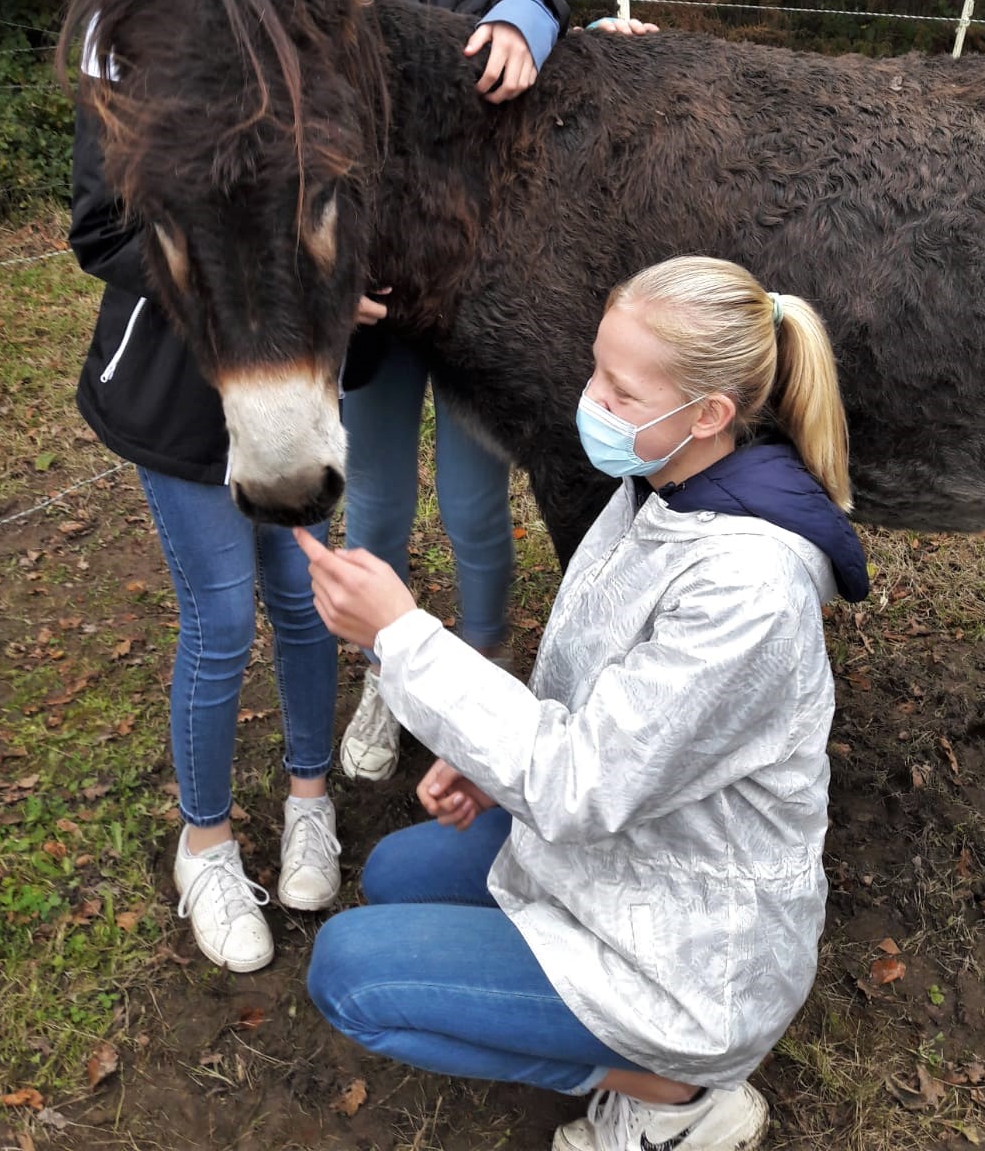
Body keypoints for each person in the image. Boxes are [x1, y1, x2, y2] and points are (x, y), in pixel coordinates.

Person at [69, 0, 576, 975]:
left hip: (303, 374)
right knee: (220, 616)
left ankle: (304, 801)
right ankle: (202, 843)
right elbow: (102, 223)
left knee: (305, 603)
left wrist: (548, 16)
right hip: (190, 387)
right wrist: (259, 286)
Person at [296, 256, 869, 1151]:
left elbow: (580, 781)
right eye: (594, 371)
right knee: (396, 875)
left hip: (693, 949)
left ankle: (679, 1094)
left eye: (622, 389)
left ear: (710, 413)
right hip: (632, 849)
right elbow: (588, 692)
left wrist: (403, 636)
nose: (592, 401)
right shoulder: (658, 489)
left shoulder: (748, 587)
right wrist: (488, 762)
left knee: (350, 977)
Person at [338, 0, 658, 786]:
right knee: (379, 504)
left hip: (482, 315)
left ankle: (483, 654)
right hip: (378, 323)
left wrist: (555, 24)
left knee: (479, 509)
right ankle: (381, 672)